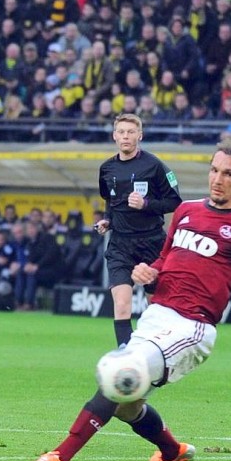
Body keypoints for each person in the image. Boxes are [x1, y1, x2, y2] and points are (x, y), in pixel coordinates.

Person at [24, 138, 231, 461]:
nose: (218, 179)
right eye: (214, 170)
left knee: (121, 374)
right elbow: (164, 261)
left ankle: (59, 458)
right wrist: (149, 273)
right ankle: (171, 450)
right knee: (127, 405)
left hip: (193, 327)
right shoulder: (186, 211)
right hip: (156, 317)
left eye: (228, 174)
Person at [94, 113, 182, 346]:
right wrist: (108, 220)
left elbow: (175, 202)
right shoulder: (106, 169)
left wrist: (146, 204)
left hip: (152, 243)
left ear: (139, 136)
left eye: (131, 132)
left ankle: (160, 351)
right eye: (121, 132)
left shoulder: (155, 166)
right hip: (120, 245)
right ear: (114, 136)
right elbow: (110, 201)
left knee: (157, 307)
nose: (126, 136)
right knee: (122, 305)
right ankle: (126, 356)